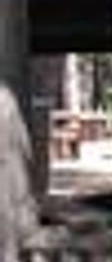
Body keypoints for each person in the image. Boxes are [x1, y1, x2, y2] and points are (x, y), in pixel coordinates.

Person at [0, 84, 37, 262]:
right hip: (12, 174)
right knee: (10, 237)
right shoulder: (7, 96)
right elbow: (26, 147)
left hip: (8, 174)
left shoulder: (5, 96)